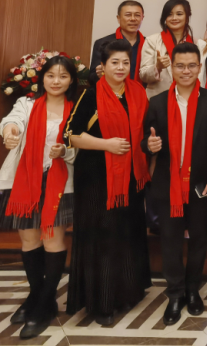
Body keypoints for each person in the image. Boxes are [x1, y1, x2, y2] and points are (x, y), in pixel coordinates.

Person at [65, 41, 152, 326]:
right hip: (96, 179)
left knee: (127, 234)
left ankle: (128, 293)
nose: (121, 68)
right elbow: (70, 135)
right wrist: (106, 145)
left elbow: (145, 132)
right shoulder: (90, 95)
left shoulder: (138, 92)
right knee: (102, 237)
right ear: (102, 66)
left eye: (125, 62)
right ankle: (101, 303)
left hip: (131, 178)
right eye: (115, 62)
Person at [0, 55, 79, 339]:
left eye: (63, 76)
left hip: (60, 183)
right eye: (51, 75)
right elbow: (11, 122)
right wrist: (10, 132)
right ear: (42, 78)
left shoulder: (76, 108)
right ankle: (36, 295)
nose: (56, 81)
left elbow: (82, 145)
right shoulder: (27, 104)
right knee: (30, 240)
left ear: (71, 80)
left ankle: (44, 304)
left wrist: (65, 151)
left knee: (53, 240)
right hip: (25, 181)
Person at [141, 42, 207, 326]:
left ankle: (192, 290)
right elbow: (144, 141)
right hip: (167, 184)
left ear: (199, 67)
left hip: (201, 184)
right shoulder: (157, 102)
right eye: (180, 66)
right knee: (170, 242)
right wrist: (150, 145)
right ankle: (175, 293)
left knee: (200, 238)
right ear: (171, 68)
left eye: (191, 66)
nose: (186, 71)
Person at [141, 0, 207, 99]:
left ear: (187, 17)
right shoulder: (152, 41)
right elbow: (143, 76)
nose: (174, 18)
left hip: (191, 99)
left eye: (179, 14)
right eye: (169, 14)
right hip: (159, 100)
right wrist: (157, 67)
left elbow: (202, 77)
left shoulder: (200, 45)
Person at [91, 1, 144, 84]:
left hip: (142, 91)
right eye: (128, 15)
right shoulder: (103, 43)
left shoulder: (149, 43)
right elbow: (91, 78)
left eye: (137, 15)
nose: (133, 19)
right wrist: (100, 74)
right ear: (118, 18)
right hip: (111, 90)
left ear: (142, 18)